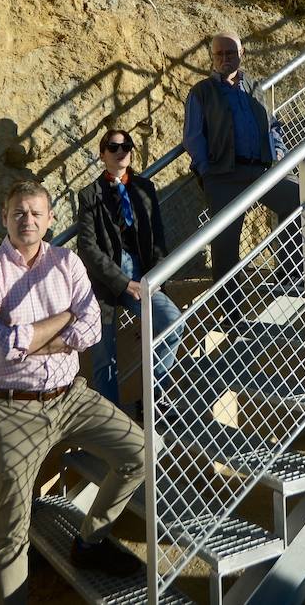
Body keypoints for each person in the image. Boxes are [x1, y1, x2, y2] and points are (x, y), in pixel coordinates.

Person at [0, 181, 145, 604]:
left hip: (71, 397)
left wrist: (29, 339)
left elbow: (90, 329)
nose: (27, 220)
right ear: (4, 218)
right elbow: (1, 347)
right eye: (18, 213)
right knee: (12, 529)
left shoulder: (67, 262)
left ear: (50, 220)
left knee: (139, 453)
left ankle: (89, 542)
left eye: (35, 213)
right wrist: (64, 317)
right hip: (15, 410)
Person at [183, 32, 301, 289]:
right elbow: (193, 138)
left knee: (296, 196)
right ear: (212, 58)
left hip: (260, 170)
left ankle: (290, 275)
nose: (225, 58)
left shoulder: (255, 88)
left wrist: (278, 152)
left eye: (231, 53)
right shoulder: (201, 92)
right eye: (219, 54)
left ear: (242, 54)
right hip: (223, 174)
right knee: (225, 243)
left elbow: (273, 125)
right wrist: (208, 173)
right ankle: (230, 311)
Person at [75, 128, 183, 409]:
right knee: (104, 358)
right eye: (113, 147)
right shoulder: (89, 195)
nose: (121, 151)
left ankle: (152, 403)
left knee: (171, 321)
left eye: (127, 146)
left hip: (142, 273)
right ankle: (112, 422)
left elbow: (158, 235)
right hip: (104, 279)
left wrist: (156, 275)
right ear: (102, 154)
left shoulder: (144, 187)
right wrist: (123, 283)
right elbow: (87, 247)